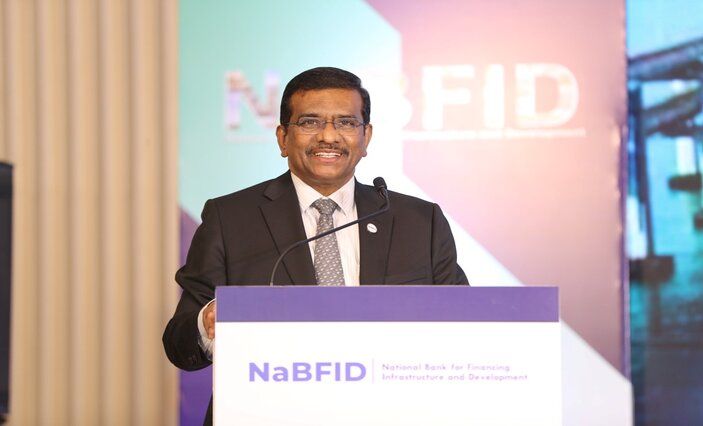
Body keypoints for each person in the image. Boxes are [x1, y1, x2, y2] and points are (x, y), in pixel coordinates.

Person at [163, 66, 468, 425]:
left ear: (366, 137)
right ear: (282, 137)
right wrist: (207, 323)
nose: (328, 136)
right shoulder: (230, 218)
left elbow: (465, 328)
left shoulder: (419, 221)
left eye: (346, 123)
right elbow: (180, 344)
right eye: (310, 122)